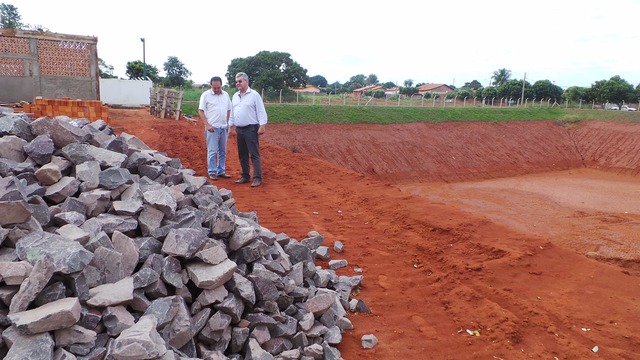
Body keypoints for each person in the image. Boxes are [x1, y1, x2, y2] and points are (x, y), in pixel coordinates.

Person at [229, 72, 267, 187]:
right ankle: (245, 175)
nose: (238, 83)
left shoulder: (254, 95)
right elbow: (232, 112)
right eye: (236, 82)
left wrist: (262, 125)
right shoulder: (235, 96)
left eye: (240, 81)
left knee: (254, 154)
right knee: (242, 154)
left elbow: (261, 110)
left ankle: (257, 178)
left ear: (246, 81)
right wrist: (230, 127)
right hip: (239, 129)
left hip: (251, 128)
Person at [198, 76, 232, 180]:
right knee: (212, 151)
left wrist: (228, 124)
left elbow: (229, 109)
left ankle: (221, 171)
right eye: (214, 87)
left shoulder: (225, 95)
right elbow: (201, 110)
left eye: (218, 87)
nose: (216, 89)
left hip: (223, 127)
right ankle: (212, 172)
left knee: (223, 151)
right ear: (211, 86)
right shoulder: (206, 95)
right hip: (212, 128)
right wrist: (207, 125)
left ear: (221, 85)